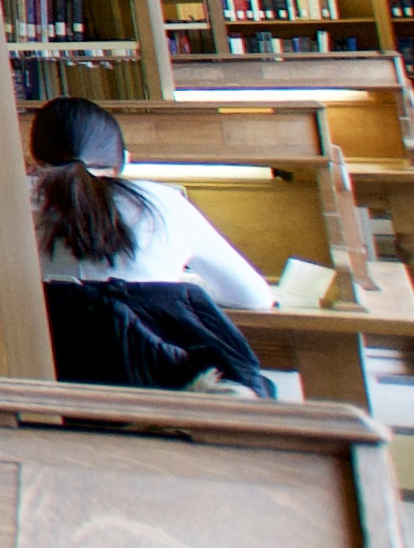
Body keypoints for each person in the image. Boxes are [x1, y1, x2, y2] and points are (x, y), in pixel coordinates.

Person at [30, 94, 268, 391]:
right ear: (122, 160)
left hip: (47, 389)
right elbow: (254, 297)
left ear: (35, 158)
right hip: (158, 396)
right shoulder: (162, 202)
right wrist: (175, 284)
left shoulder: (9, 203)